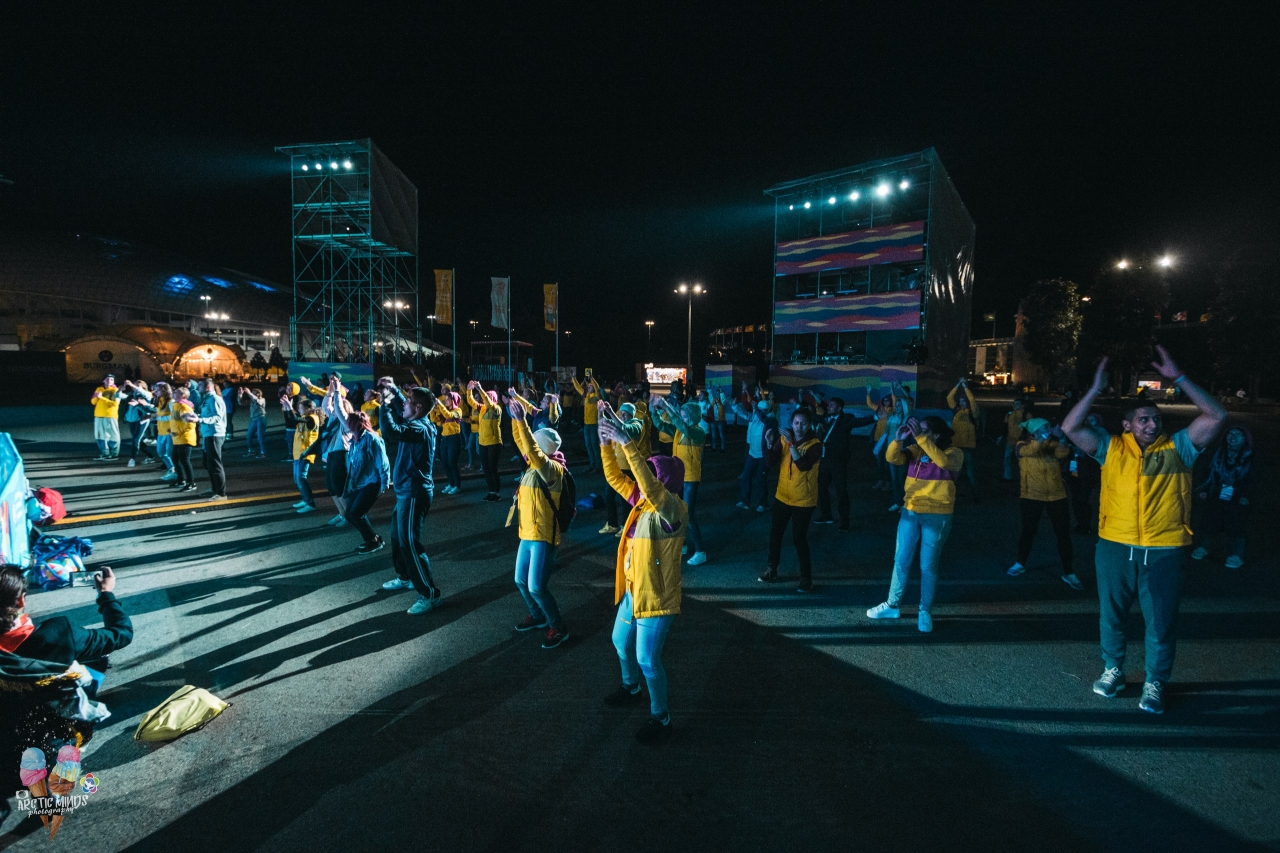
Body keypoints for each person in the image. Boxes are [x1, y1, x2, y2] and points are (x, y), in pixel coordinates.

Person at [1061, 346, 1226, 714]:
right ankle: (1113, 669)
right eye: (1143, 420)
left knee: (1161, 622)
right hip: (1115, 546)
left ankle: (1154, 682)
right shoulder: (1109, 448)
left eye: (1155, 419)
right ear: (1127, 425)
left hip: (1164, 548)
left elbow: (1216, 414)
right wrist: (1094, 390)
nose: (1152, 425)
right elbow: (1070, 427)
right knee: (1112, 615)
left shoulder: (1181, 447)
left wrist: (1179, 378)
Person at [598, 409, 688, 744]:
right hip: (634, 591)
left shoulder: (673, 508)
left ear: (663, 479)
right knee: (620, 643)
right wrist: (606, 443)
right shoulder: (643, 503)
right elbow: (615, 479)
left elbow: (647, 484)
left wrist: (627, 443)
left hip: (658, 598)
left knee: (648, 659)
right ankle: (630, 687)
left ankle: (660, 715)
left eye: (650, 473)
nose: (642, 477)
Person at [866, 416, 964, 632]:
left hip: (938, 515)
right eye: (919, 431)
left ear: (937, 435)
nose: (918, 434)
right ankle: (892, 605)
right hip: (910, 512)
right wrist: (898, 440)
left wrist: (920, 438)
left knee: (927, 566)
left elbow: (944, 463)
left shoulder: (954, 453)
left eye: (925, 431)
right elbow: (893, 458)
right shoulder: (916, 450)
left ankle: (925, 611)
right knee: (900, 560)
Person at [1, 563, 132, 691]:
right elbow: (122, 633)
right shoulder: (60, 634)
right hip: (53, 707)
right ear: (21, 600)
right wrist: (105, 593)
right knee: (94, 655)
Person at [506, 398, 571, 648]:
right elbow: (524, 443)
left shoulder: (552, 468)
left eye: (535, 440)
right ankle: (538, 616)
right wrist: (515, 419)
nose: (529, 443)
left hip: (544, 536)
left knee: (536, 587)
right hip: (528, 534)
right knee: (520, 581)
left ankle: (558, 626)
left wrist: (522, 420)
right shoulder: (533, 467)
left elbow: (530, 448)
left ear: (543, 447)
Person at [377, 378, 441, 615]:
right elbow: (406, 407)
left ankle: (429, 593)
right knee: (396, 537)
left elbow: (390, 431)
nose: (402, 405)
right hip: (406, 491)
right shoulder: (419, 419)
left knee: (410, 544)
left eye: (408, 402)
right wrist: (394, 389)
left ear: (418, 409)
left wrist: (384, 404)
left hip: (414, 493)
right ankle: (405, 577)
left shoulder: (419, 428)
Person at [1006, 418, 1084, 590]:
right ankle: (1020, 563)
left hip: (1056, 495)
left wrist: (1062, 439)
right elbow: (1031, 451)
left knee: (1063, 534)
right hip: (1031, 495)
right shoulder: (1021, 444)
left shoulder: (1051, 443)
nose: (1049, 429)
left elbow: (1063, 453)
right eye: (1045, 427)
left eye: (1049, 426)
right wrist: (1043, 438)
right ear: (1034, 431)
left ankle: (1069, 571)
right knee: (1028, 531)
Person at [758, 408, 822, 592]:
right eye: (796, 423)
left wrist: (792, 444)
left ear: (809, 424)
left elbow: (802, 466)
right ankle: (772, 569)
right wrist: (770, 444)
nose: (799, 426)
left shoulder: (815, 444)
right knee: (775, 534)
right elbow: (770, 463)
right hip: (783, 496)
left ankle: (806, 578)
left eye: (803, 423)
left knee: (799, 538)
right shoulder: (785, 438)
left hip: (803, 500)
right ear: (792, 423)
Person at [651, 396, 709, 565]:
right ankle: (683, 544)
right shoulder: (678, 430)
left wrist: (667, 406)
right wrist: (654, 411)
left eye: (685, 415)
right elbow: (661, 425)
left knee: (689, 515)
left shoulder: (698, 432)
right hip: (679, 477)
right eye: (681, 415)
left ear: (692, 416)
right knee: (677, 512)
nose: (682, 418)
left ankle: (701, 551)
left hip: (691, 478)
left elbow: (683, 426)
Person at [1191, 425, 1254, 570]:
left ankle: (1235, 554)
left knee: (1237, 523)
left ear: (1245, 439)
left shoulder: (1251, 457)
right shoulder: (1217, 454)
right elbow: (1207, 472)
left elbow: (1254, 479)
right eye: (1229, 434)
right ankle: (1203, 546)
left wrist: (1246, 495)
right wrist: (1205, 489)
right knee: (1210, 519)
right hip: (1217, 492)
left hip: (1238, 495)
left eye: (1237, 434)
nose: (1232, 437)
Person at [814, 397, 876, 531]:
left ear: (839, 408)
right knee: (822, 488)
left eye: (832, 405)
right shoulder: (826, 417)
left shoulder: (846, 419)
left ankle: (844, 521)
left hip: (838, 461)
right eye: (829, 405)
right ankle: (826, 515)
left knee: (841, 491)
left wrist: (875, 417)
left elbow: (859, 422)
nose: (829, 407)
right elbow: (815, 418)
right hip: (825, 459)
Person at [342, 410, 391, 554]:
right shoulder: (354, 440)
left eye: (348, 422)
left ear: (355, 424)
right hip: (358, 482)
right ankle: (373, 538)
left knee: (357, 513)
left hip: (372, 482)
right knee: (349, 514)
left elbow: (382, 462)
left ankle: (373, 542)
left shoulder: (372, 439)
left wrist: (384, 482)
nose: (345, 424)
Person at [598, 402, 646, 535]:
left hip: (629, 468)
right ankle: (612, 524)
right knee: (609, 497)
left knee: (626, 499)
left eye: (625, 413)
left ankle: (626, 525)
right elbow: (603, 422)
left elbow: (624, 428)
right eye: (621, 412)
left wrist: (611, 412)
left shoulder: (637, 424)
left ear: (632, 414)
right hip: (616, 467)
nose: (622, 415)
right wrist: (601, 411)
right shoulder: (617, 420)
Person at [184, 377, 227, 500]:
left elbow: (217, 417)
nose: (197, 388)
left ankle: (221, 493)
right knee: (208, 464)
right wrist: (195, 415)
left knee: (215, 464)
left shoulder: (214, 399)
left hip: (215, 434)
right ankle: (215, 489)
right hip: (208, 434)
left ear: (208, 387)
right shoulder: (207, 398)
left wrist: (199, 419)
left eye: (200, 385)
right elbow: (205, 414)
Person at [734, 399, 777, 513]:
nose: (760, 412)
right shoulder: (754, 416)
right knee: (746, 477)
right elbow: (741, 413)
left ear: (767, 410)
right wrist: (733, 404)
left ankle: (763, 503)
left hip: (763, 455)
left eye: (763, 410)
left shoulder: (771, 420)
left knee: (761, 480)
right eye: (759, 410)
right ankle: (745, 501)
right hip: (752, 453)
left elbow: (767, 422)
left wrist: (758, 412)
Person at [466, 381, 504, 502]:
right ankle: (491, 491)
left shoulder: (496, 409)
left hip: (493, 442)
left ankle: (496, 492)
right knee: (486, 469)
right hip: (483, 442)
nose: (483, 399)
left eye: (486, 396)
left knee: (493, 468)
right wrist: (469, 390)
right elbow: (471, 401)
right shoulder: (482, 408)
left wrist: (481, 389)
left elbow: (489, 403)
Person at [1064, 413, 1103, 533]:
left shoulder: (1100, 435)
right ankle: (1080, 524)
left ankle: (1086, 525)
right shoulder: (1080, 433)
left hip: (1088, 473)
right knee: (1075, 499)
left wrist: (1084, 453)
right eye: (1088, 419)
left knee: (1083, 499)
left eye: (1093, 420)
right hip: (1074, 471)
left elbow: (1099, 454)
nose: (1089, 422)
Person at [283, 397, 322, 513]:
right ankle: (305, 500)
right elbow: (290, 422)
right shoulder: (305, 418)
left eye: (300, 408)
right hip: (298, 452)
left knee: (301, 478)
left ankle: (310, 503)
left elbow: (294, 419)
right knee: (297, 479)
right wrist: (286, 408)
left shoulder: (312, 418)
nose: (299, 410)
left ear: (309, 409)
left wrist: (289, 407)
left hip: (305, 452)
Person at [946, 378, 980, 500]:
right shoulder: (956, 410)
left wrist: (965, 387)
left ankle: (974, 494)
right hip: (956, 445)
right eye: (960, 400)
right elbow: (949, 398)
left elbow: (972, 400)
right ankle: (954, 493)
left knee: (970, 471)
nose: (961, 402)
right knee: (955, 470)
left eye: (963, 400)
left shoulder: (974, 412)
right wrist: (958, 384)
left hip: (967, 446)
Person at [168, 386, 199, 492]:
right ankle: (181, 480)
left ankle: (191, 482)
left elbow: (189, 424)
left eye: (176, 392)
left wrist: (177, 432)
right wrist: (171, 429)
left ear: (183, 396)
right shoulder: (176, 405)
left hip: (185, 438)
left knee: (185, 460)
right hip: (177, 437)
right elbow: (177, 421)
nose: (173, 393)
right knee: (175, 459)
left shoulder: (184, 406)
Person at [120, 380, 157, 468]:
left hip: (141, 420)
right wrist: (121, 389)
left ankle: (132, 458)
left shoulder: (146, 394)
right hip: (131, 420)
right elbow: (119, 396)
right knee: (137, 440)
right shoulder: (131, 394)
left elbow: (145, 394)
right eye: (134, 386)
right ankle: (150, 456)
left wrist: (134, 386)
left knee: (136, 439)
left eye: (138, 386)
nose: (135, 387)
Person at [572, 374, 602, 472]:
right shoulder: (586, 396)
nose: (589, 388)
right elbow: (578, 388)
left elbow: (597, 388)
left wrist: (592, 379)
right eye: (588, 387)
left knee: (594, 445)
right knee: (588, 445)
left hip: (594, 424)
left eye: (590, 387)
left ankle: (598, 466)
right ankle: (592, 464)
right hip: (586, 424)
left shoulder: (596, 396)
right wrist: (574, 378)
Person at [90, 375, 121, 460]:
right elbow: (93, 402)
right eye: (107, 379)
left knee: (112, 435)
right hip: (98, 415)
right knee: (100, 435)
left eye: (111, 379)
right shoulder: (99, 389)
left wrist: (101, 397)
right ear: (103, 380)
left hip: (110, 415)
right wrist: (95, 396)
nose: (109, 381)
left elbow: (114, 404)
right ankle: (105, 453)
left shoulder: (116, 390)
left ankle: (114, 454)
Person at [150, 382, 176, 481]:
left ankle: (173, 471)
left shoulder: (171, 401)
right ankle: (171, 469)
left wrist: (157, 418)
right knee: (161, 452)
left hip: (169, 431)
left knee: (168, 453)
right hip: (161, 431)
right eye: (155, 389)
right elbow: (157, 413)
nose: (155, 391)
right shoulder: (159, 400)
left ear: (165, 390)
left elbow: (173, 417)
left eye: (158, 389)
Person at [1003, 397, 1031, 481]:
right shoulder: (1009, 414)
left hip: (1022, 442)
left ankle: (1024, 477)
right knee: (1007, 458)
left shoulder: (1027, 415)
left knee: (1023, 460)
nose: (1015, 406)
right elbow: (1005, 427)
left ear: (1022, 405)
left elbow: (1030, 429)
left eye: (1017, 404)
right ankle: (1007, 477)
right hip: (1010, 440)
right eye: (1014, 404)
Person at [241, 387, 268, 458]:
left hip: (260, 418)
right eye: (251, 392)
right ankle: (251, 450)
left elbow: (258, 402)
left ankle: (263, 452)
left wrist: (249, 393)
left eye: (253, 392)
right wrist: (240, 395)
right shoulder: (251, 401)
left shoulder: (262, 399)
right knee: (248, 436)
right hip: (254, 419)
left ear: (258, 394)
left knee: (260, 436)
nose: (251, 394)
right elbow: (242, 403)